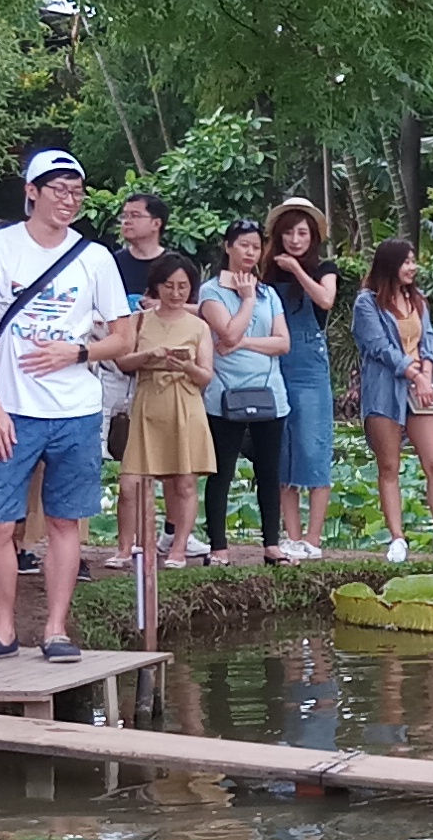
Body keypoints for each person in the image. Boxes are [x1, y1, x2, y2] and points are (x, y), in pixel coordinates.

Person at [0, 146, 131, 660]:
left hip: (76, 408)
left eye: (76, 192)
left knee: (64, 520)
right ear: (31, 192)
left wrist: (76, 351)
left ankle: (56, 628)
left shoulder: (95, 257)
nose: (68, 200)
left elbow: (123, 339)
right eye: (57, 189)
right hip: (12, 407)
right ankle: (2, 629)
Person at [354, 236, 433, 562]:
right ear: (390, 265)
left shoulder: (417, 300)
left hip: (420, 392)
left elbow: (428, 341)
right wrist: (414, 375)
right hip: (385, 390)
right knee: (389, 465)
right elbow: (379, 348)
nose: (412, 267)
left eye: (413, 261)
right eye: (406, 261)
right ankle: (397, 538)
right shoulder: (367, 303)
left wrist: (425, 374)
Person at [115, 247, 221, 570]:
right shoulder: (140, 319)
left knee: (184, 482)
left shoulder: (198, 326)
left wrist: (185, 365)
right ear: (157, 286)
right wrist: (150, 356)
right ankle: (124, 548)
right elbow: (122, 361)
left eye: (183, 287)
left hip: (184, 405)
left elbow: (206, 376)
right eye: (169, 285)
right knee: (130, 483)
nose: (176, 293)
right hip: (148, 403)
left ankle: (177, 548)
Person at [200, 216, 299, 560]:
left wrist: (243, 343)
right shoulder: (210, 292)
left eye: (256, 247)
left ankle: (272, 544)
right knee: (222, 472)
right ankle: (219, 547)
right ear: (228, 247)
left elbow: (283, 343)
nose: (250, 252)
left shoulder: (269, 293)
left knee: (269, 471)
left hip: (270, 393)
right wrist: (246, 299)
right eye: (243, 245)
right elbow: (225, 333)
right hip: (224, 395)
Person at [265, 198, 342, 554]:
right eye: (289, 233)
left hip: (310, 367)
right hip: (272, 366)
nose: (295, 240)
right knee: (281, 452)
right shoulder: (264, 272)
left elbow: (326, 300)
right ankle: (292, 537)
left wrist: (297, 269)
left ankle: (313, 538)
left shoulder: (323, 268)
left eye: (302, 233)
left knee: (314, 448)